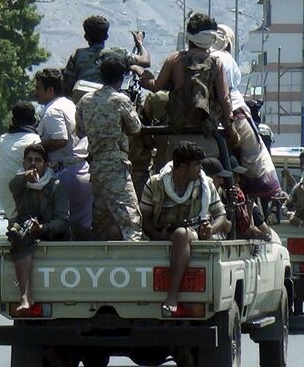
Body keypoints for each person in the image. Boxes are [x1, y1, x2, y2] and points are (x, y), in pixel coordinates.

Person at [131, 13, 279, 201]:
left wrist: (139, 71)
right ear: (211, 38)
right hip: (209, 135)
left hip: (177, 134)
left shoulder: (174, 60)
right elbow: (225, 99)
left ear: (188, 37)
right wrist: (231, 130)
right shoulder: (216, 62)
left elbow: (154, 86)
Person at [140, 142, 227, 312]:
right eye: (196, 165)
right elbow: (143, 217)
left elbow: (221, 215)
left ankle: (173, 295)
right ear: (182, 167)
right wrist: (157, 236)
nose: (199, 169)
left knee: (181, 234)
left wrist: (211, 228)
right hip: (160, 234)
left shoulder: (205, 185)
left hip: (192, 232)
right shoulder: (155, 184)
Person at [75, 56, 143, 241]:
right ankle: (134, 262)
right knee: (130, 217)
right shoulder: (120, 100)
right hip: (116, 165)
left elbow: (80, 131)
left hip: (96, 166)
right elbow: (135, 128)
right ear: (121, 77)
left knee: (101, 217)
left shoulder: (85, 101)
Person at [7, 144, 69, 313]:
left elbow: (62, 221)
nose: (33, 164)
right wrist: (25, 177)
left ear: (46, 164)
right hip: (27, 237)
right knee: (17, 234)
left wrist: (41, 227)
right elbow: (12, 185)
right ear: (23, 162)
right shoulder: (21, 184)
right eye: (29, 160)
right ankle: (25, 296)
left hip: (52, 235)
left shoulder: (56, 186)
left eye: (38, 160)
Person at [35, 68, 93, 239]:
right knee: (82, 226)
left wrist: (36, 147)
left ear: (50, 90)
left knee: (66, 228)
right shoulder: (68, 104)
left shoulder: (53, 111)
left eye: (38, 88)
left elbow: (61, 139)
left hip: (67, 172)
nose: (35, 92)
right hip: (81, 168)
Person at [63, 15, 150, 95]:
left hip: (80, 101)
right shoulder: (118, 53)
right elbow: (146, 61)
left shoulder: (78, 55)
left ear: (86, 37)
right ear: (106, 36)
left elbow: (67, 85)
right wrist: (140, 44)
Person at [200, 156, 271, 241]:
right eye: (218, 177)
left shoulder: (226, 195)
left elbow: (229, 226)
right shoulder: (198, 194)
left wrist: (238, 209)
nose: (222, 181)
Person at [0, 102, 42, 221]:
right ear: (33, 120)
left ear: (13, 120)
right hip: (25, 203)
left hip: (7, 201)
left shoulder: (2, 140)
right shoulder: (35, 140)